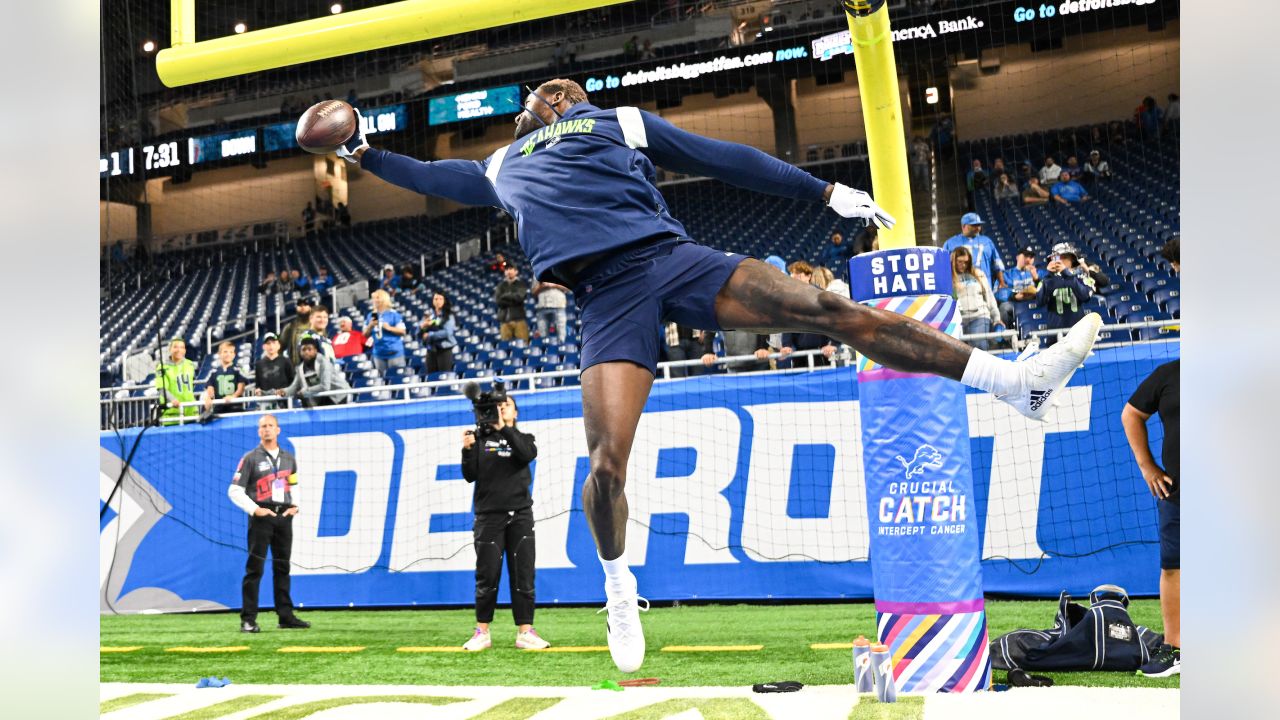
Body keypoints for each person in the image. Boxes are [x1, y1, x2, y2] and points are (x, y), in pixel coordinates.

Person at [333, 78, 1101, 673]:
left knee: (831, 308)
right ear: (529, 116)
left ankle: (1013, 383)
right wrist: (361, 152)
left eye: (566, 93)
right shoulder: (502, 164)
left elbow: (719, 157)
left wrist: (823, 190)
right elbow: (429, 177)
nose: (558, 98)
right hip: (605, 299)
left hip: (672, 260)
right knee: (605, 467)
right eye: (545, 96)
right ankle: (618, 588)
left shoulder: (617, 121)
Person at [460, 397, 550, 651]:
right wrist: (467, 451)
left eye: (507, 405)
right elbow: (470, 476)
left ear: (515, 413)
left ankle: (525, 632)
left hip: (521, 515)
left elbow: (526, 454)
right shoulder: (480, 440)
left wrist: (504, 429)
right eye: (498, 406)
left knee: (523, 574)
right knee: (487, 576)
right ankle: (482, 632)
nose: (502, 408)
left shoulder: (525, 438)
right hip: (489, 516)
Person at [1121, 360, 1180, 677]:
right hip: (1179, 492)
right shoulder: (1169, 374)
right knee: (1174, 568)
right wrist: (1147, 467)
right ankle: (1175, 649)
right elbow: (1131, 414)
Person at [226, 414, 311, 633]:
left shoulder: (289, 458)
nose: (266, 429)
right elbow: (234, 490)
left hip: (284, 517)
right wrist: (255, 509)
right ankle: (248, 619)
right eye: (263, 426)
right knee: (255, 569)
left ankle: (285, 616)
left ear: (278, 430)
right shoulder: (250, 458)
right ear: (258, 431)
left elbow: (294, 484)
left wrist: (295, 506)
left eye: (270, 426)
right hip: (261, 518)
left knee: (282, 567)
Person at [951, 247, 1002, 350]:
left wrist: (996, 318)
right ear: (953, 261)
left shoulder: (978, 274)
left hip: (979, 316)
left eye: (966, 262)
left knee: (979, 349)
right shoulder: (948, 277)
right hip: (958, 320)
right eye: (960, 262)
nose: (963, 265)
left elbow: (989, 297)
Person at [1038, 251, 1094, 345]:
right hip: (1055, 332)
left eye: (1063, 257)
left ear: (1072, 260)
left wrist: (1067, 274)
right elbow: (1040, 301)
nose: (1059, 260)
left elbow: (1085, 296)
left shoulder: (1081, 277)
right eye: (1056, 258)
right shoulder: (1047, 280)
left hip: (1078, 331)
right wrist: (1049, 276)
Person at [278, 337, 349, 407]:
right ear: (300, 352)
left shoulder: (323, 363)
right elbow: (294, 387)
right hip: (325, 398)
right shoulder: (300, 368)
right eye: (303, 349)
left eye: (309, 349)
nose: (306, 352)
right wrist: (284, 392)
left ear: (315, 351)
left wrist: (305, 391)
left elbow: (325, 386)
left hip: (340, 396)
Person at [942, 213, 1005, 288]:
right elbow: (944, 267)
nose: (978, 228)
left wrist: (1001, 281)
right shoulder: (950, 243)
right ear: (964, 226)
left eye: (979, 225)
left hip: (984, 285)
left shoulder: (987, 241)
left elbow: (996, 263)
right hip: (960, 286)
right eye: (973, 225)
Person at [155, 338, 198, 424]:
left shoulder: (190, 364)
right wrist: (172, 400)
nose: (179, 350)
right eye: (175, 347)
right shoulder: (162, 367)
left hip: (191, 412)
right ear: (170, 349)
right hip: (172, 414)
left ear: (185, 350)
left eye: (182, 347)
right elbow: (161, 388)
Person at [364, 289, 408, 374]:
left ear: (384, 299)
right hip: (378, 353)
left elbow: (403, 332)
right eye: (374, 298)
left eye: (377, 297)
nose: (375, 300)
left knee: (396, 379)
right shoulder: (371, 315)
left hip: (394, 352)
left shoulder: (394, 314)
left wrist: (389, 328)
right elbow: (365, 334)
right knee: (382, 380)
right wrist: (370, 326)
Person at [202, 341, 249, 414]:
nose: (228, 354)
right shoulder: (213, 372)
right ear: (219, 354)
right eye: (225, 352)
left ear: (234, 355)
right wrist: (208, 397)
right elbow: (210, 388)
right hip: (219, 406)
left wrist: (233, 396)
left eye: (231, 352)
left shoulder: (238, 369)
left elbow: (241, 388)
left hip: (235, 406)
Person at [999, 247, 1040, 329]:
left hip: (1036, 302)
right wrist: (1013, 296)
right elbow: (998, 293)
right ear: (1017, 257)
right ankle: (1008, 337)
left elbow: (1049, 287)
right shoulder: (1007, 274)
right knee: (1004, 307)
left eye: (1031, 257)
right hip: (1015, 304)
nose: (1028, 259)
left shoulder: (1039, 272)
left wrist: (1037, 279)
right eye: (1025, 255)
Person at [420, 291, 458, 373]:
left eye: (441, 299)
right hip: (431, 349)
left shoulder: (449, 315)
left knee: (444, 375)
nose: (438, 301)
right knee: (431, 376)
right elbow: (419, 332)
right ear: (433, 301)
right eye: (436, 299)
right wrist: (422, 327)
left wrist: (430, 335)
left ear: (444, 301)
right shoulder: (429, 315)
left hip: (444, 349)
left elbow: (447, 332)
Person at [254, 333, 295, 405]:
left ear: (278, 345)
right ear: (264, 346)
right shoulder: (259, 364)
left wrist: (285, 391)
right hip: (266, 402)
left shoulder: (286, 361)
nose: (271, 346)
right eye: (268, 343)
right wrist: (258, 391)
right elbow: (258, 384)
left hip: (284, 401)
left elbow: (293, 381)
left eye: (273, 343)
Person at [495, 266, 531, 341]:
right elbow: (498, 301)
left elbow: (519, 298)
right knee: (505, 345)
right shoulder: (500, 285)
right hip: (504, 320)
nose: (509, 271)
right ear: (505, 272)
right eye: (507, 269)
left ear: (516, 271)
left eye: (511, 269)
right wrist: (512, 296)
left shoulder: (521, 284)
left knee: (523, 343)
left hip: (519, 319)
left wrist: (505, 295)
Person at [280, 296, 314, 361]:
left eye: (305, 305)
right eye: (300, 305)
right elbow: (280, 347)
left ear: (310, 307)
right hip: (295, 367)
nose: (302, 307)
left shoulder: (316, 325)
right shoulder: (290, 327)